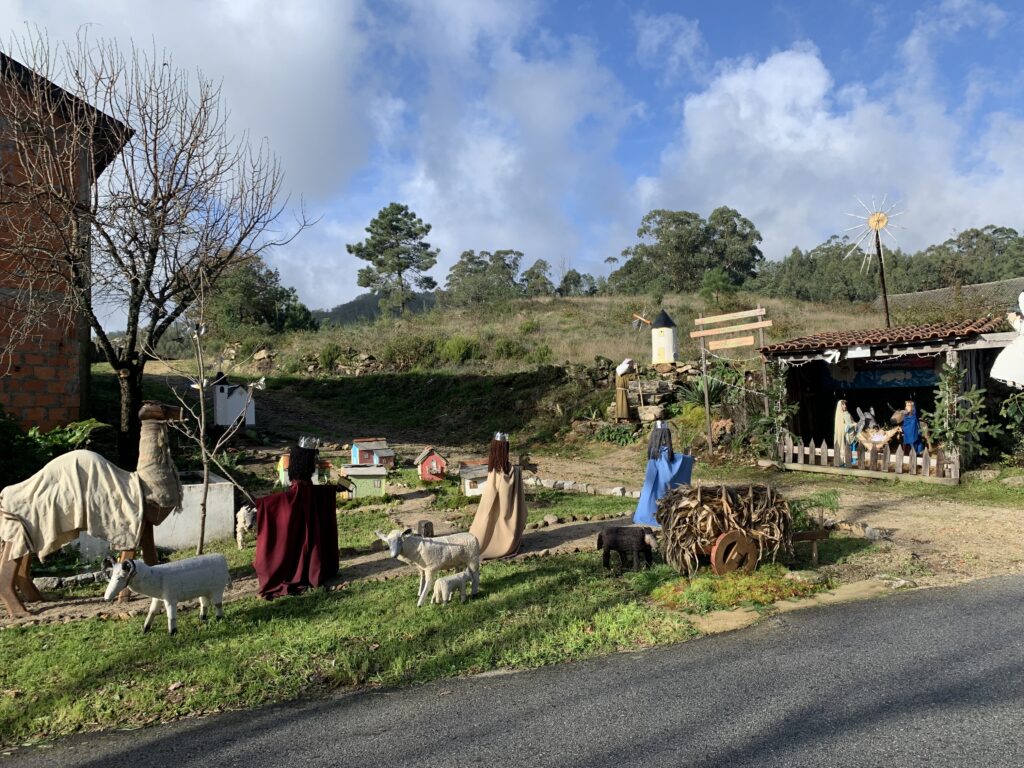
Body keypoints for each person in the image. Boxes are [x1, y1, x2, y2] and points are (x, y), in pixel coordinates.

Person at [833, 399, 858, 467]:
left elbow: (850, 422)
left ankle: (853, 462)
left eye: (845, 404)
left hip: (852, 434)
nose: (845, 406)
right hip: (847, 436)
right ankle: (848, 462)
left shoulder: (847, 413)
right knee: (849, 449)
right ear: (840, 406)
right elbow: (843, 427)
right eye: (843, 404)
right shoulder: (841, 415)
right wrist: (852, 425)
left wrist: (854, 424)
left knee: (854, 449)